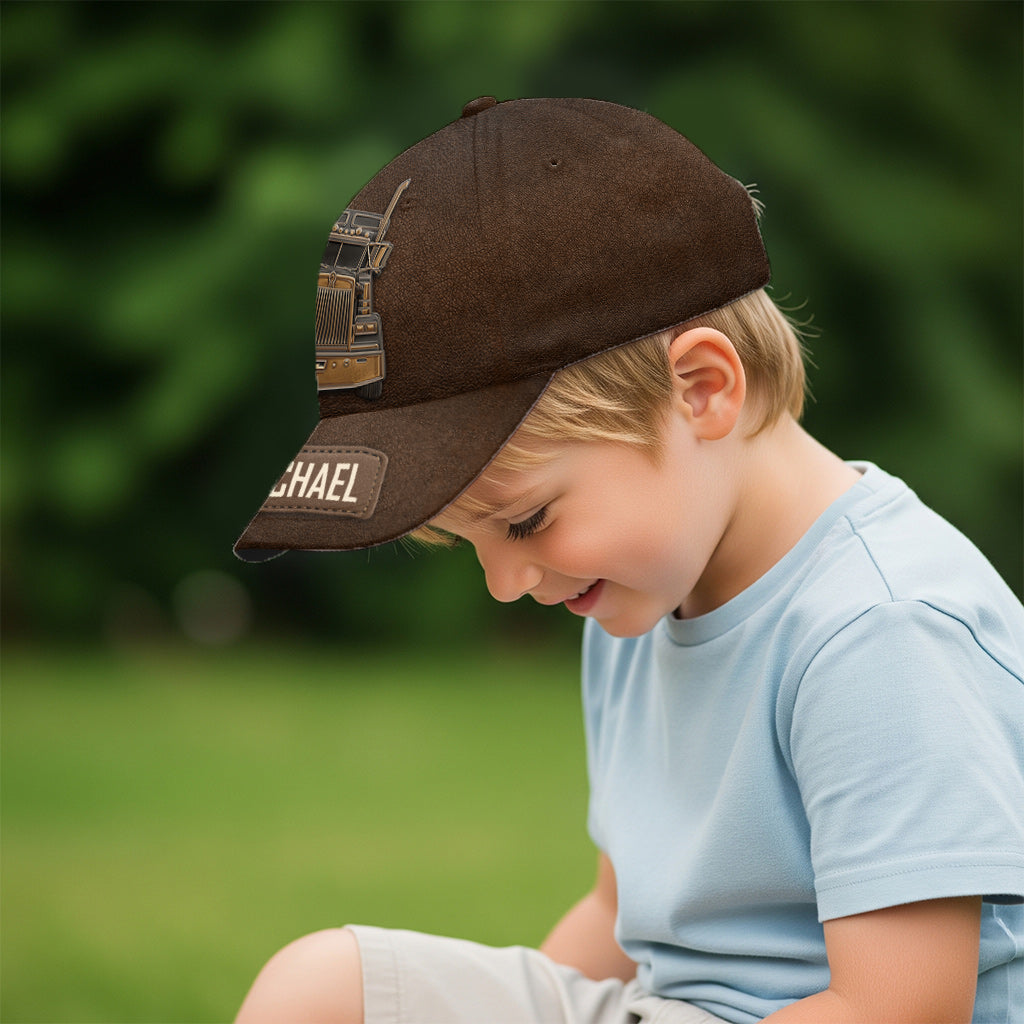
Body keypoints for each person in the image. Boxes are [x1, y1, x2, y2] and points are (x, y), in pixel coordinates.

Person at [232, 97, 1024, 1023]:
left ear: (701, 390)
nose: (504, 583)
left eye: (524, 522)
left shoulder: (878, 629)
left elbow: (899, 1009)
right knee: (322, 990)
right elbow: (620, 918)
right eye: (471, 542)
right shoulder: (634, 595)